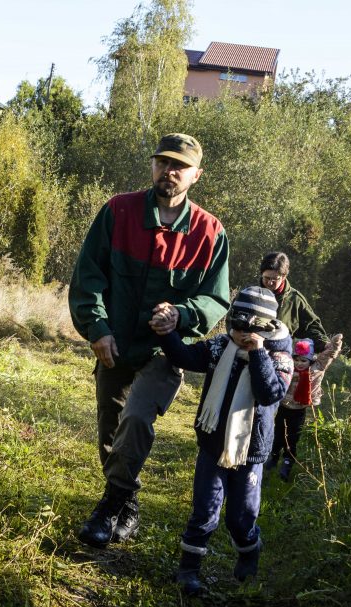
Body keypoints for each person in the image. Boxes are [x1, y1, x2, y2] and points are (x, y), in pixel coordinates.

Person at [68, 133, 230, 549]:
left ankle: (109, 506)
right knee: (110, 431)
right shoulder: (117, 212)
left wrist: (183, 314)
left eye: (179, 166)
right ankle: (129, 500)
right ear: (154, 166)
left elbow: (216, 298)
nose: (169, 171)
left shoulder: (209, 232)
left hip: (163, 351)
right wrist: (98, 328)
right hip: (115, 344)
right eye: (163, 162)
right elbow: (89, 276)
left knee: (137, 418)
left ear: (196, 175)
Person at [157, 286, 294, 596]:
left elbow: (270, 393)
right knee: (204, 508)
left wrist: (258, 353)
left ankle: (249, 551)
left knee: (241, 516)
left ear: (265, 327)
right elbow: (186, 356)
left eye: (247, 329)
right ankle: (188, 570)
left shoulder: (280, 357)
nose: (239, 334)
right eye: (235, 326)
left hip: (252, 452)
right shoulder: (222, 346)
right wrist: (167, 333)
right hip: (212, 444)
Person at [267, 334, 343, 481]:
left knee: (293, 437)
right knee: (278, 434)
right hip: (284, 407)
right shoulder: (288, 368)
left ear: (311, 360)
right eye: (297, 359)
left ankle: (287, 462)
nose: (300, 363)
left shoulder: (316, 369)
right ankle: (274, 457)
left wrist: (335, 344)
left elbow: (328, 356)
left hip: (299, 410)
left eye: (304, 360)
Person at [258, 251, 328, 353]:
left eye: (274, 279)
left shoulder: (295, 299)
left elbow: (311, 326)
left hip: (279, 356)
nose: (269, 282)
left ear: (284, 276)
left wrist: (325, 345)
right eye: (266, 278)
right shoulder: (249, 293)